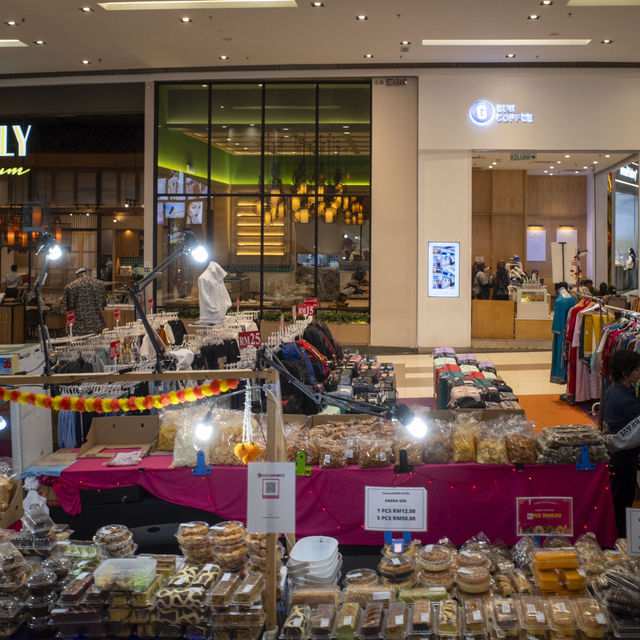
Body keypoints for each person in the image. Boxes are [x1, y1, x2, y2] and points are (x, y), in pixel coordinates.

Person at [603, 350, 640, 537]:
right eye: (637, 369)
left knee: (621, 494)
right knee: (622, 496)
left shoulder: (616, 389)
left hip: (619, 453)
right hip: (624, 455)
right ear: (626, 373)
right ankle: (620, 536)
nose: (639, 372)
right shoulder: (624, 399)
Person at [63, 268, 107, 335]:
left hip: (79, 328)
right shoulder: (100, 284)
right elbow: (103, 305)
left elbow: (67, 311)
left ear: (77, 275)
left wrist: (69, 327)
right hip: (97, 325)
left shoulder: (70, 287)